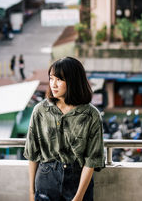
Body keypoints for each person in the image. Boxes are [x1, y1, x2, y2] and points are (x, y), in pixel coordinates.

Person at [24, 56, 105, 201]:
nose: (53, 84)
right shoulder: (40, 111)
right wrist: (31, 193)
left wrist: (78, 197)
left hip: (78, 181)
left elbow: (91, 160)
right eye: (51, 78)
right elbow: (32, 154)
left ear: (73, 81)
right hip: (46, 180)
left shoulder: (91, 115)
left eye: (59, 80)